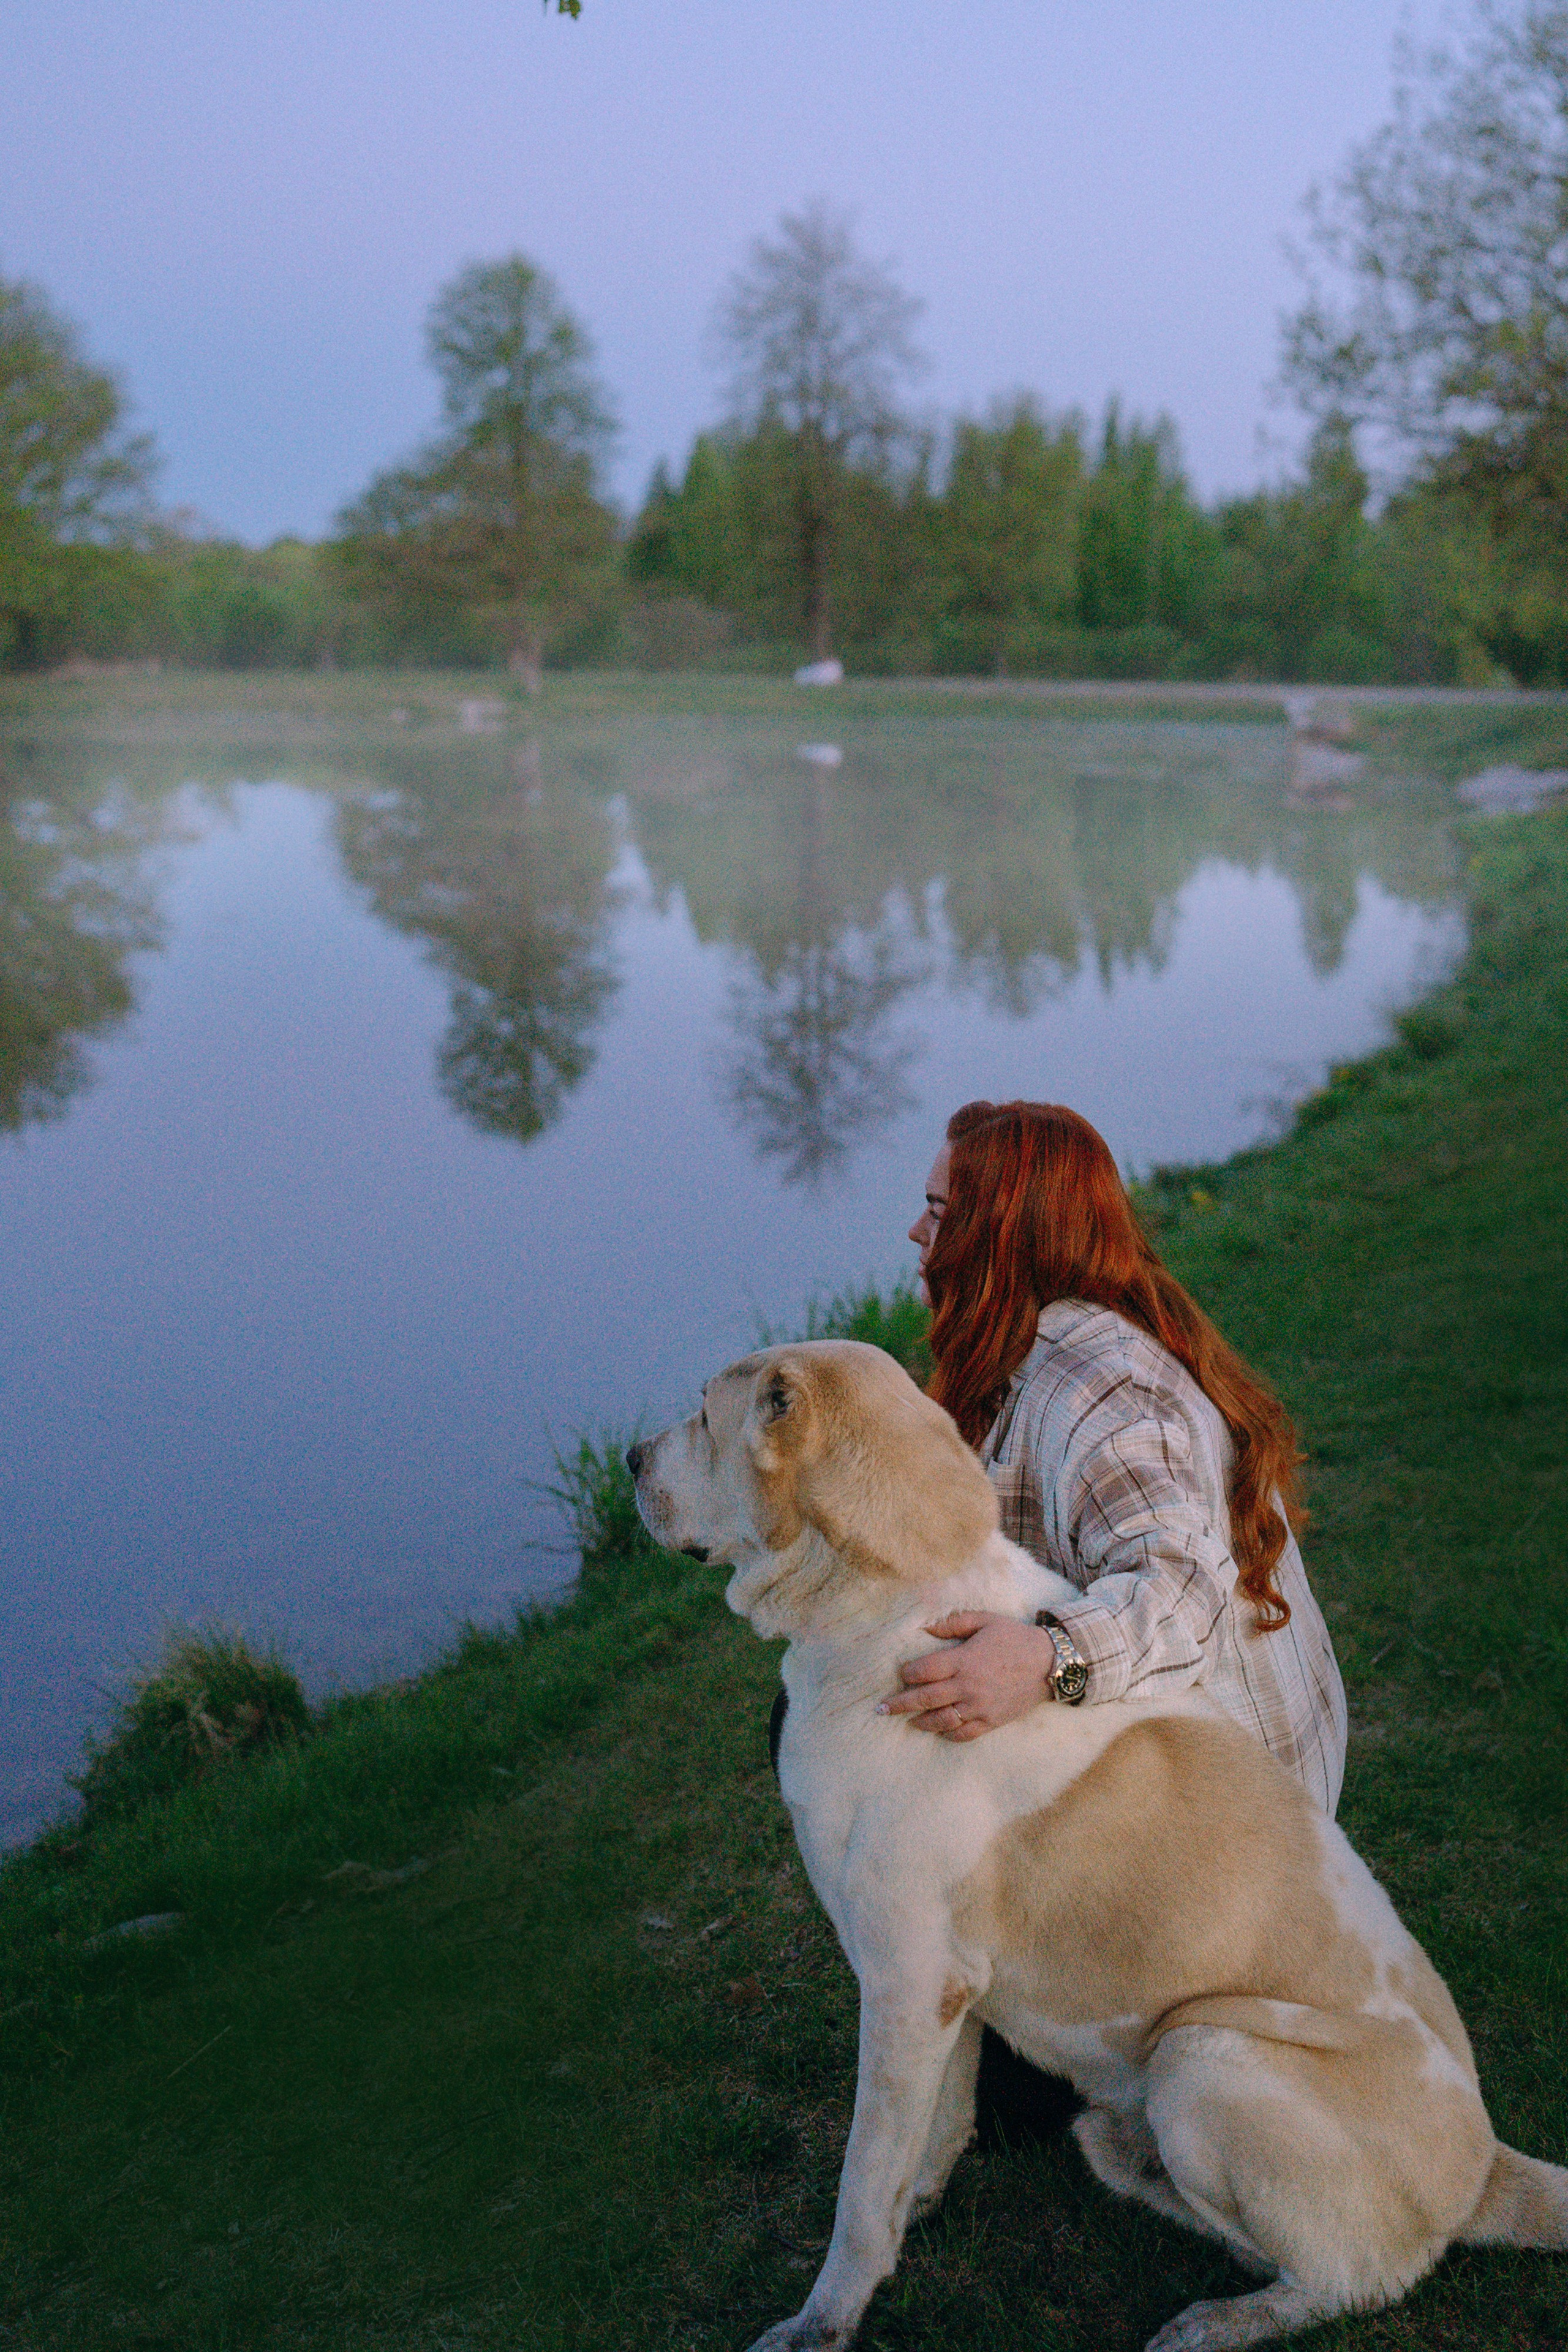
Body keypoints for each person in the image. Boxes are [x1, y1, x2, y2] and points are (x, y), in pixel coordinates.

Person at [885, 1098, 1347, 1817]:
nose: (916, 1232)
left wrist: (1046, 1662)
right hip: (1225, 1759)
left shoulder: (1107, 1397)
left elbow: (1185, 1587)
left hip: (1243, 1811)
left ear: (1001, 1239)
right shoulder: (1046, 1341)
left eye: (939, 1214)